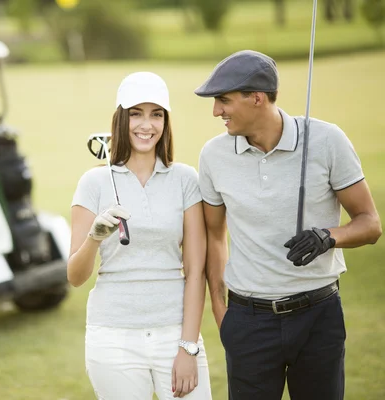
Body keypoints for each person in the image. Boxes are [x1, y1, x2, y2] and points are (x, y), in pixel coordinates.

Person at [194, 50, 382, 400]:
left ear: (256, 98)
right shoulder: (213, 156)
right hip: (248, 321)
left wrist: (329, 237)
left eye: (223, 100)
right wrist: (224, 316)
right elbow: (214, 237)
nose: (216, 111)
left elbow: (370, 223)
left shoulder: (327, 141)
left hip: (318, 317)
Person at [68, 71, 212, 399]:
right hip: (113, 338)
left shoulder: (185, 179)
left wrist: (188, 347)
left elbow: (195, 272)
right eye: (136, 114)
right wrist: (94, 236)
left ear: (166, 121)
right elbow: (75, 276)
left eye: (156, 114)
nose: (146, 125)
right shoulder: (94, 182)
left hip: (174, 333)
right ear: (122, 118)